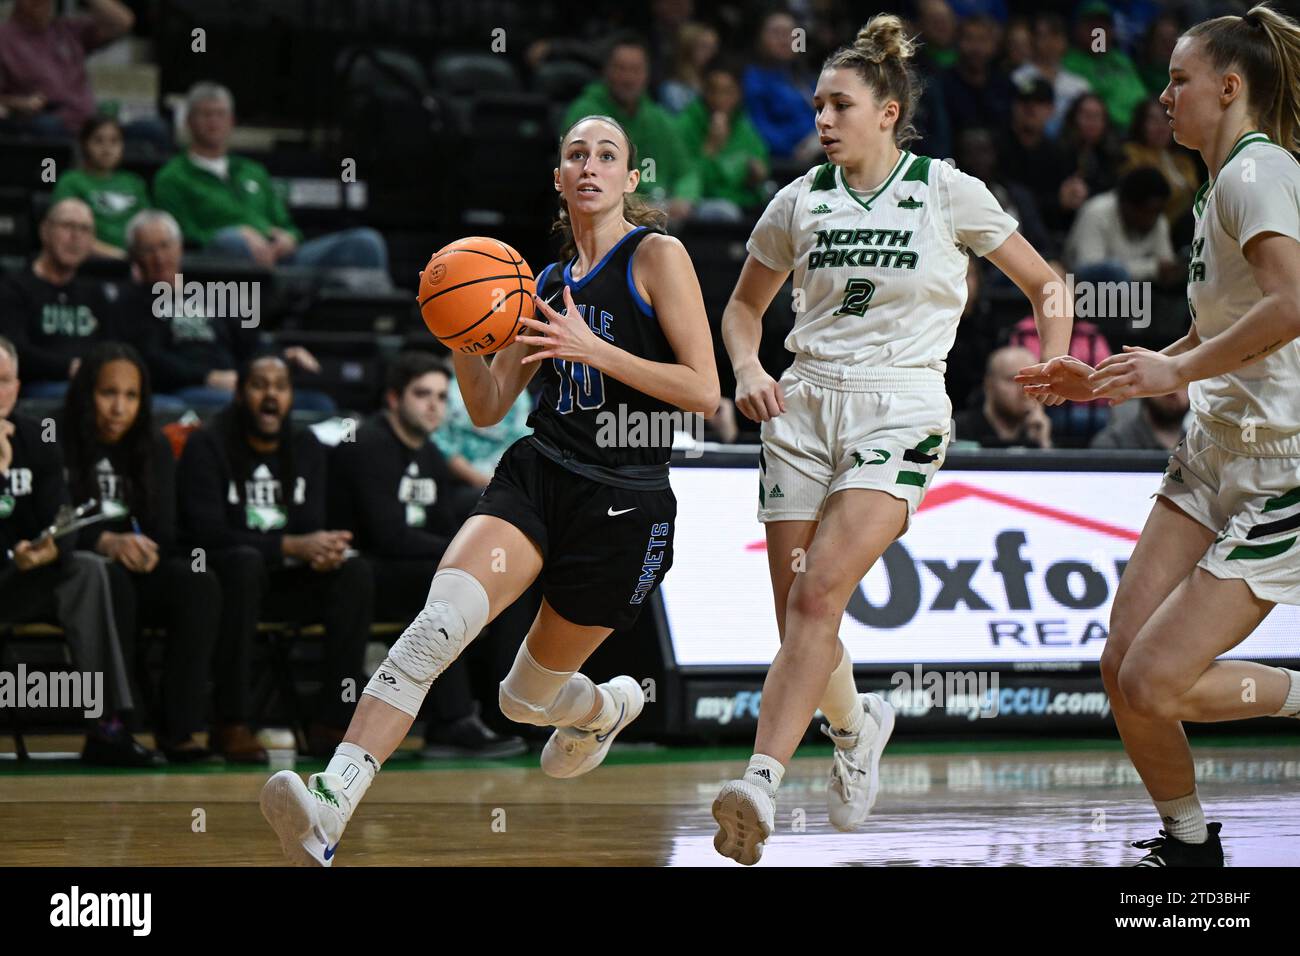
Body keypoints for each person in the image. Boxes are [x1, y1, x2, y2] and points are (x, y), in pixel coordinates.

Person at [258, 112, 719, 866]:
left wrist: (591, 348)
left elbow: (703, 389)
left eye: (608, 155)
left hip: (627, 500)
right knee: (436, 626)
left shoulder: (657, 257)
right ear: (561, 179)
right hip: (543, 472)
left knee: (522, 700)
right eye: (577, 155)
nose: (592, 165)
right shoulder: (537, 282)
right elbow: (487, 405)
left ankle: (604, 709)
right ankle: (332, 802)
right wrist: (458, 331)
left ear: (631, 179)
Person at [712, 14, 1072, 866]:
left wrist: (1056, 366)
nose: (823, 120)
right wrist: (745, 369)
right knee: (801, 617)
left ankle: (759, 780)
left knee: (815, 597)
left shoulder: (948, 190)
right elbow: (740, 309)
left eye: (839, 104)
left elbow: (1046, 284)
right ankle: (856, 724)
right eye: (816, 106)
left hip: (901, 407)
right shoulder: (797, 199)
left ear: (887, 110)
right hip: (799, 408)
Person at [1018, 2, 1300, 867]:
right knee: (1120, 664)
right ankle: (1187, 844)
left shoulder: (1259, 174)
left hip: (1280, 465)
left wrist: (1179, 372)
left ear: (1230, 85)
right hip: (1213, 450)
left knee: (1153, 679)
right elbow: (1231, 323)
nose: (1165, 97)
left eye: (1180, 81)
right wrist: (1108, 378)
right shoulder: (1219, 185)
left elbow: (1294, 304)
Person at [329, 352, 527, 758]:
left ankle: (507, 711)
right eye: (422, 394)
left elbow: (437, 532)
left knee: (489, 580)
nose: (434, 405)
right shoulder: (369, 445)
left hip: (409, 567)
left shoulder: (430, 455)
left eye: (441, 395)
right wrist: (453, 559)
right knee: (442, 587)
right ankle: (451, 721)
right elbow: (387, 537)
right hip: (355, 575)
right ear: (393, 399)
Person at [177, 354, 372, 761]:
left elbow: (311, 524)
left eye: (280, 387)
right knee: (244, 562)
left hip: (284, 583)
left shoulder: (306, 447)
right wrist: (289, 546)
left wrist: (322, 552)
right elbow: (203, 536)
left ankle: (333, 722)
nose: (271, 396)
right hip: (226, 587)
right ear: (239, 393)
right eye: (259, 385)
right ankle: (231, 722)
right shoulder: (208, 443)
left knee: (354, 571)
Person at [0, 335, 159, 766]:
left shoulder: (37, 437)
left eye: (5, 380)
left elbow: (64, 520)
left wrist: (48, 551)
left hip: (21, 580)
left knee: (87, 568)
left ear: (18, 385)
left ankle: (106, 722)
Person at [61, 343, 221, 762]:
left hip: (137, 566)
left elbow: (164, 529)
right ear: (86, 394)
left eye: (130, 396)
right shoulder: (57, 439)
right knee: (109, 579)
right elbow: (46, 523)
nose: (119, 408)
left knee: (196, 582)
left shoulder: (153, 444)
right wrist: (103, 541)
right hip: (77, 569)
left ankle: (180, 729)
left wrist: (149, 551)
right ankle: (113, 730)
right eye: (107, 393)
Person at [153, 83, 389, 283]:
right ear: (189, 122)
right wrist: (235, 232)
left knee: (366, 242)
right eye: (205, 115)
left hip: (282, 258)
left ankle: (379, 328)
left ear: (232, 121)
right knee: (233, 242)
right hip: (223, 260)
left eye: (220, 114)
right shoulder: (172, 176)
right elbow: (181, 237)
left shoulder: (253, 170)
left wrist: (288, 238)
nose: (214, 122)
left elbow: (286, 224)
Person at [118, 209, 334, 412]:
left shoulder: (212, 296)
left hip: (236, 384)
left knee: (319, 405)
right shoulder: (132, 302)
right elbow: (150, 360)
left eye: (165, 246)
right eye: (149, 250)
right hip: (186, 390)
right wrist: (208, 378)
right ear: (134, 257)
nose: (159, 257)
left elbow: (251, 343)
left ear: (179, 247)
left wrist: (283, 355)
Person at [562, 36, 694, 219]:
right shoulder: (585, 114)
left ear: (647, 75)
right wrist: (630, 204)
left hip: (659, 211)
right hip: (603, 212)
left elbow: (686, 171)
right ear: (606, 71)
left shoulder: (659, 118)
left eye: (636, 70)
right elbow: (578, 173)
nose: (628, 78)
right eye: (621, 69)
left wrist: (683, 198)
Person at [0, 198, 116, 399]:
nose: (75, 237)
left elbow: (111, 346)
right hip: (39, 388)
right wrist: (68, 367)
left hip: (91, 385)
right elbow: (13, 350)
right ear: (45, 231)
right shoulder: (14, 288)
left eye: (84, 229)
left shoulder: (96, 293)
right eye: (67, 226)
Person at [0, 0, 134, 139]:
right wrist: (20, 103)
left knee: (149, 129)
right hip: (46, 125)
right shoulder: (4, 38)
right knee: (47, 126)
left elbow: (122, 23)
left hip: (89, 126)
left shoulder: (66, 29)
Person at [674, 61, 770, 219]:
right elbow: (685, 180)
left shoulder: (743, 125)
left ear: (738, 94)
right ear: (703, 91)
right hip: (701, 204)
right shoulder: (685, 125)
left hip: (744, 202)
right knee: (725, 212)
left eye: (727, 92)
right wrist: (710, 147)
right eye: (714, 91)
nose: (719, 99)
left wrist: (757, 173)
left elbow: (761, 167)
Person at [51, 116, 150, 260]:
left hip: (135, 262)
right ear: (84, 144)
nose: (107, 148)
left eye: (114, 141)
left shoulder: (134, 182)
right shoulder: (71, 181)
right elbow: (66, 233)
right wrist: (119, 256)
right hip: (89, 261)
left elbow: (148, 228)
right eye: (98, 140)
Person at [1064, 166, 1179, 287]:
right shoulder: (1096, 212)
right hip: (1086, 293)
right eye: (1148, 211)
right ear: (1127, 205)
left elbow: (1167, 269)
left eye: (1159, 211)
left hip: (1140, 294)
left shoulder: (1158, 219)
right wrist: (1151, 268)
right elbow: (1089, 269)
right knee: (1115, 272)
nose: (1153, 218)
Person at [954, 345, 1053, 449]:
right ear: (989, 384)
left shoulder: (1038, 429)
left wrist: (1043, 444)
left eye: (1031, 382)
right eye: (1013, 380)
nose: (1024, 391)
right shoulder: (957, 428)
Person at [1090, 388, 1189, 451]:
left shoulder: (1199, 449)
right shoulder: (1111, 445)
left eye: (1182, 381)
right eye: (1164, 377)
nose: (1172, 388)